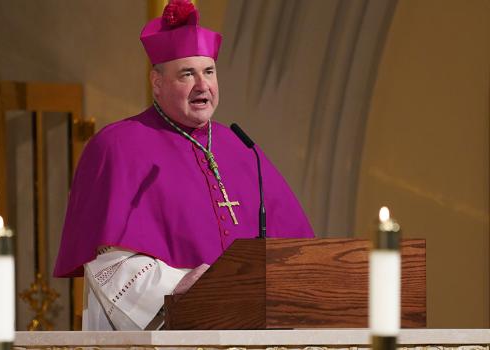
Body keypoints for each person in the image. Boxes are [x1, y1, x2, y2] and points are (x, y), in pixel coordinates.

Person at [53, 0, 314, 331]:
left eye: (209, 72)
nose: (202, 85)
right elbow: (109, 264)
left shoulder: (242, 148)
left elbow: (296, 253)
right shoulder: (117, 146)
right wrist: (181, 285)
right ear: (157, 82)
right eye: (187, 74)